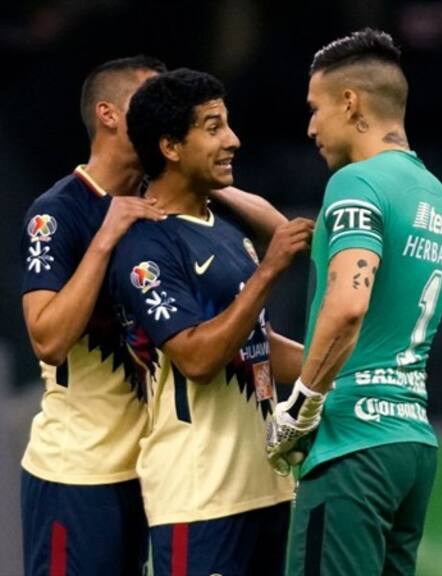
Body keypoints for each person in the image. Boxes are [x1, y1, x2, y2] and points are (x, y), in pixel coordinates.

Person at [20, 56, 289, 576]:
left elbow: (281, 234)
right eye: (148, 98)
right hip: (82, 470)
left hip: (154, 468)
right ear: (109, 115)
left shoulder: (161, 203)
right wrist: (104, 241)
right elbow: (47, 340)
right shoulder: (59, 212)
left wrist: (211, 179)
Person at [265, 28, 442, 575]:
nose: (310, 127)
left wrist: (302, 405)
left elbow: (350, 305)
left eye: (315, 109)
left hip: (352, 443)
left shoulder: (357, 183)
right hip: (411, 444)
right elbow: (376, 333)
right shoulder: (437, 197)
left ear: (349, 102)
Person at [109, 67, 313, 575]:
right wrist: (268, 271)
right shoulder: (146, 243)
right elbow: (197, 357)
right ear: (171, 147)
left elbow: (256, 344)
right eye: (214, 126)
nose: (233, 141)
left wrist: (337, 365)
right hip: (199, 498)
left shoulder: (223, 230)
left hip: (266, 486)